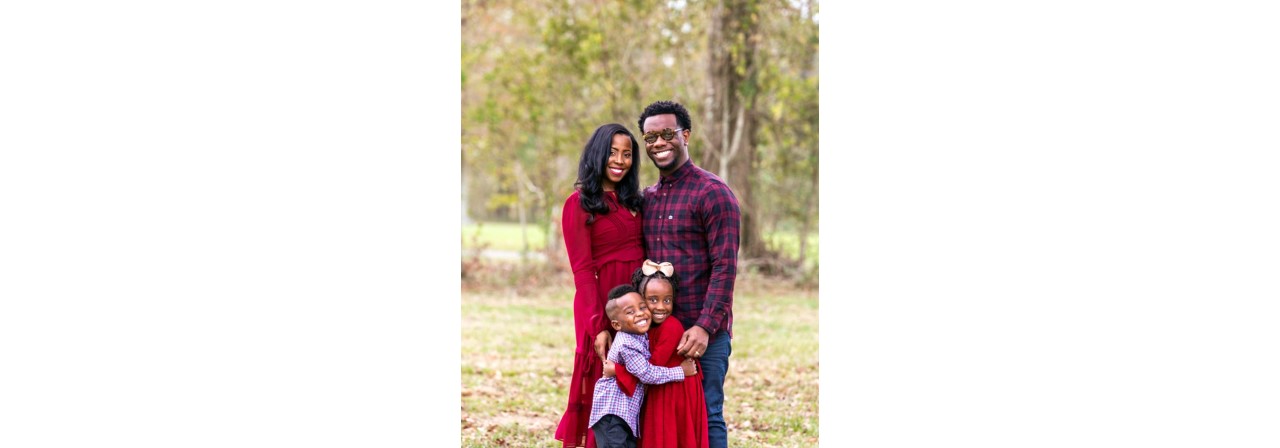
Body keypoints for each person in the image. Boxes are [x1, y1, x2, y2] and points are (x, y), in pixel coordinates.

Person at [636, 100, 741, 448]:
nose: (659, 143)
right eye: (650, 137)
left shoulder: (713, 193)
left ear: (686, 135)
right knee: (661, 419)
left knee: (707, 415)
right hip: (657, 332)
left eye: (667, 134)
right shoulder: (647, 199)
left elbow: (725, 268)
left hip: (702, 334)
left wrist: (704, 327)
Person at [555, 123, 647, 448]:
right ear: (597, 154)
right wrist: (598, 326)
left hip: (639, 308)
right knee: (607, 393)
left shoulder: (635, 202)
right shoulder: (578, 205)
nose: (620, 160)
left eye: (626, 154)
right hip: (603, 308)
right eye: (612, 152)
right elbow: (582, 271)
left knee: (639, 386)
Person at [605, 260, 709, 448]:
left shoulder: (671, 327)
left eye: (667, 300)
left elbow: (648, 371)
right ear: (640, 300)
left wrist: (617, 370)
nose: (661, 307)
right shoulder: (640, 328)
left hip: (674, 390)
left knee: (668, 436)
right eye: (652, 300)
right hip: (663, 384)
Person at [590, 285, 697, 448]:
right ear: (617, 325)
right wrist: (681, 371)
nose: (640, 313)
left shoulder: (639, 336)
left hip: (625, 414)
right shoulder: (627, 344)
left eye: (642, 307)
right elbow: (647, 374)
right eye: (630, 311)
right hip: (612, 414)